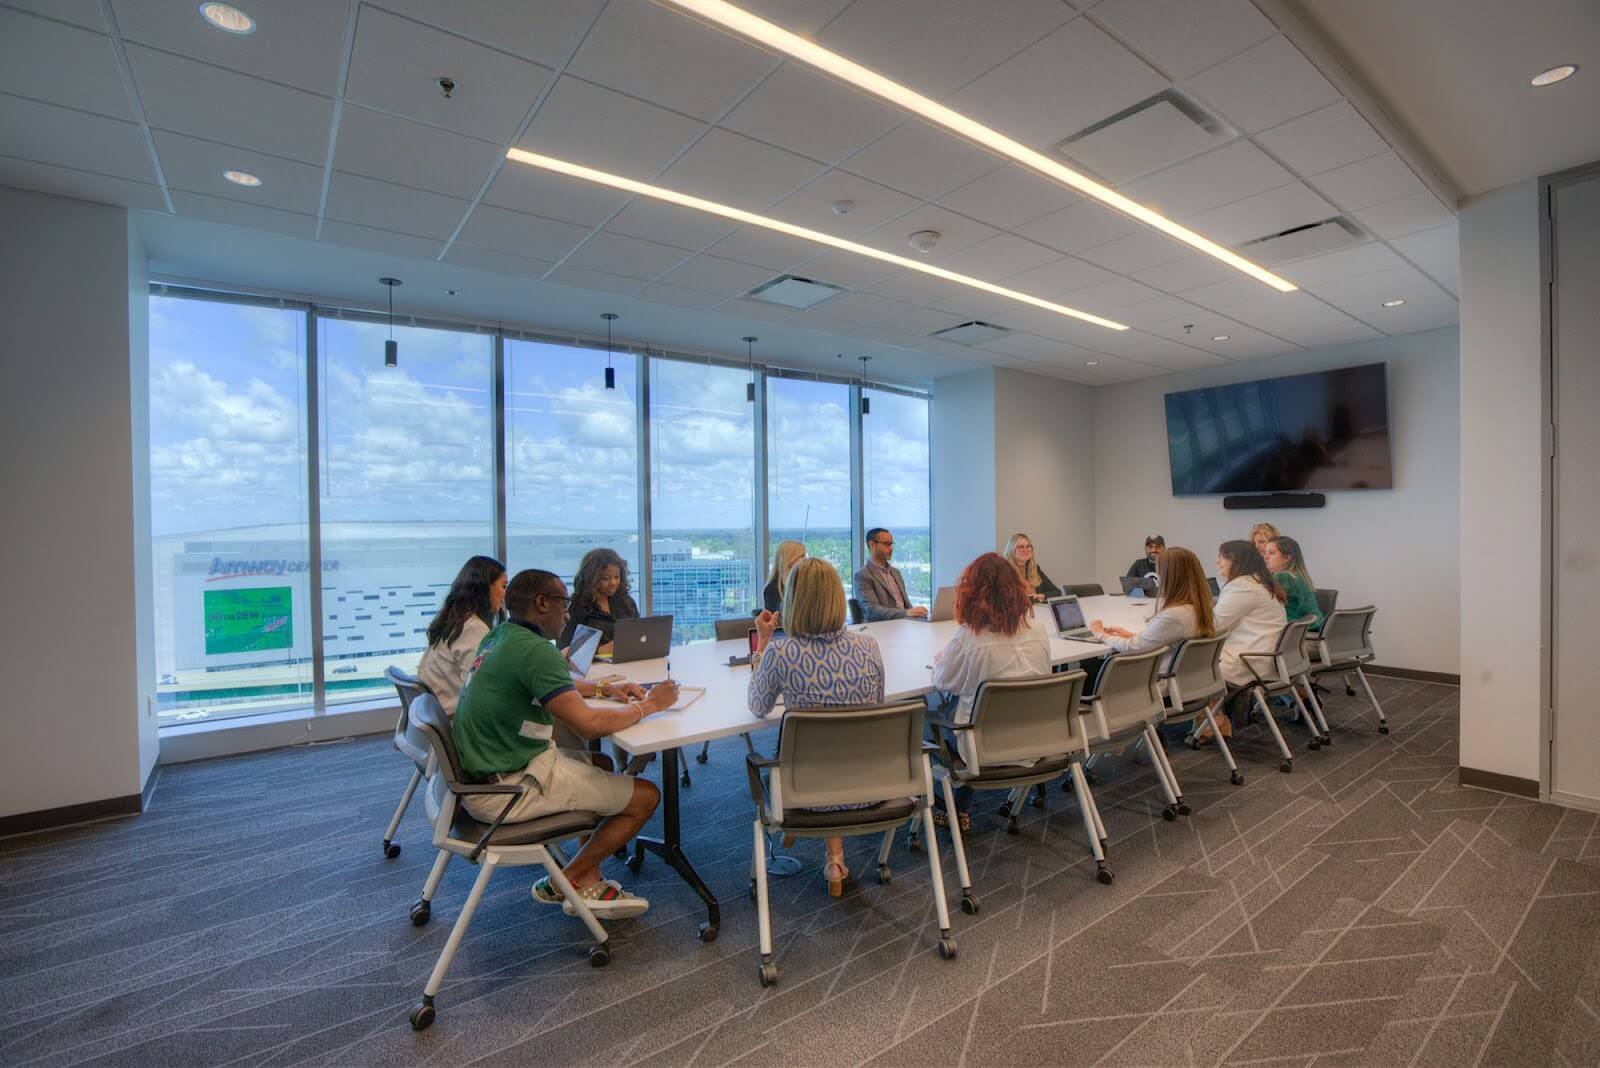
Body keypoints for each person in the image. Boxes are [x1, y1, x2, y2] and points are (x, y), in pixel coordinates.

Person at [452, 569, 675, 918]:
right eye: (563, 604)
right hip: (507, 791)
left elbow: (552, 682)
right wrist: (650, 705)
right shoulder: (536, 651)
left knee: (601, 765)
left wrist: (605, 689)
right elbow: (588, 727)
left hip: (485, 774)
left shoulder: (501, 637)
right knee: (646, 796)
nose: (568, 613)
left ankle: (589, 876)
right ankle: (566, 880)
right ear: (541, 603)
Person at [750, 557, 886, 897]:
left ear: (792, 601)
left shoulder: (781, 653)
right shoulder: (868, 646)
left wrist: (763, 644)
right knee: (835, 741)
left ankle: (823, 850)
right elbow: (876, 705)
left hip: (803, 789)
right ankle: (835, 858)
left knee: (787, 755)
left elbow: (757, 706)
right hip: (869, 783)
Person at [928, 553, 1053, 830]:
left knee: (928, 711)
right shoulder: (1039, 629)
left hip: (982, 748)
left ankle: (948, 808)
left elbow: (945, 682)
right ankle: (959, 809)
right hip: (1035, 740)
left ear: (971, 591)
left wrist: (940, 662)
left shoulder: (969, 635)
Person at [1196, 540, 1288, 745]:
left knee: (1189, 663)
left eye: (1223, 556)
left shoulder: (1243, 587)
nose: (1217, 561)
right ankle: (1215, 720)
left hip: (1249, 662)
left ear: (1237, 561)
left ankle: (1213, 722)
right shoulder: (1259, 582)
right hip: (1266, 657)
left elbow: (1213, 627)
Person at [1092, 546, 1214, 668]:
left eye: (1159, 572)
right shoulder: (1199, 607)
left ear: (1169, 577)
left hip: (1157, 679)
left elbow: (1132, 648)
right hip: (1187, 677)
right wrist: (1131, 635)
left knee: (1092, 665)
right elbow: (1162, 636)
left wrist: (1101, 634)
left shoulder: (1173, 616)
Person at [416, 555, 506, 716]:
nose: (504, 595)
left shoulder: (454, 622)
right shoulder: (473, 628)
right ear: (486, 588)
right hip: (458, 723)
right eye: (503, 586)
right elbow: (479, 688)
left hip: (437, 715)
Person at [558, 547, 638, 650]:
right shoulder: (577, 605)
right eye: (606, 578)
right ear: (592, 578)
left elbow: (638, 635)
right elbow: (565, 649)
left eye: (617, 577)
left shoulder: (626, 602)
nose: (613, 583)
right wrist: (600, 650)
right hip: (596, 665)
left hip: (628, 661)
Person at [853, 527, 927, 621]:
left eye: (891, 544)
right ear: (872, 545)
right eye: (886, 544)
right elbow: (872, 611)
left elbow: (906, 605)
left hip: (904, 623)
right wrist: (906, 613)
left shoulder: (896, 572)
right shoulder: (862, 576)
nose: (891, 548)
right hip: (883, 627)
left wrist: (917, 613)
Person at [1262, 535, 1324, 631]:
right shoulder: (1298, 575)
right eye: (1265, 553)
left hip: (1299, 631)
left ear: (1287, 558)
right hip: (1312, 627)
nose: (1265, 557)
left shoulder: (1284, 577)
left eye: (1271, 553)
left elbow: (1261, 601)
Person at [1004, 532, 1061, 602]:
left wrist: (1041, 596)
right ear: (1011, 550)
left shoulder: (1035, 569)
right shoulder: (1005, 570)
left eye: (1028, 547)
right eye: (1020, 547)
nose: (1025, 550)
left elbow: (1057, 592)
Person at [763, 539, 806, 614]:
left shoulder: (803, 583)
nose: (805, 559)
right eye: (801, 556)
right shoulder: (772, 589)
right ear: (789, 558)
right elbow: (775, 621)